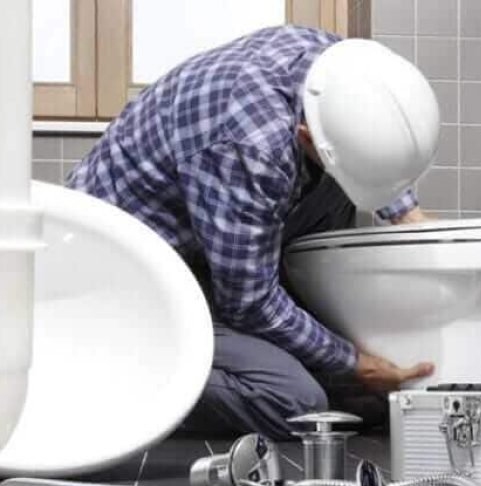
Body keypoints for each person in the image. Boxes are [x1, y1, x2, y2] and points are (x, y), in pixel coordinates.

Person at [67, 25, 440, 438]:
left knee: (358, 398)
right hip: (129, 278)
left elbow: (364, 143)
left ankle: (311, 362)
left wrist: (411, 221)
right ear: (304, 135)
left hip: (212, 235)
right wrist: (353, 362)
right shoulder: (251, 148)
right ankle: (102, 368)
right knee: (298, 402)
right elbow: (247, 301)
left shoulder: (340, 65)